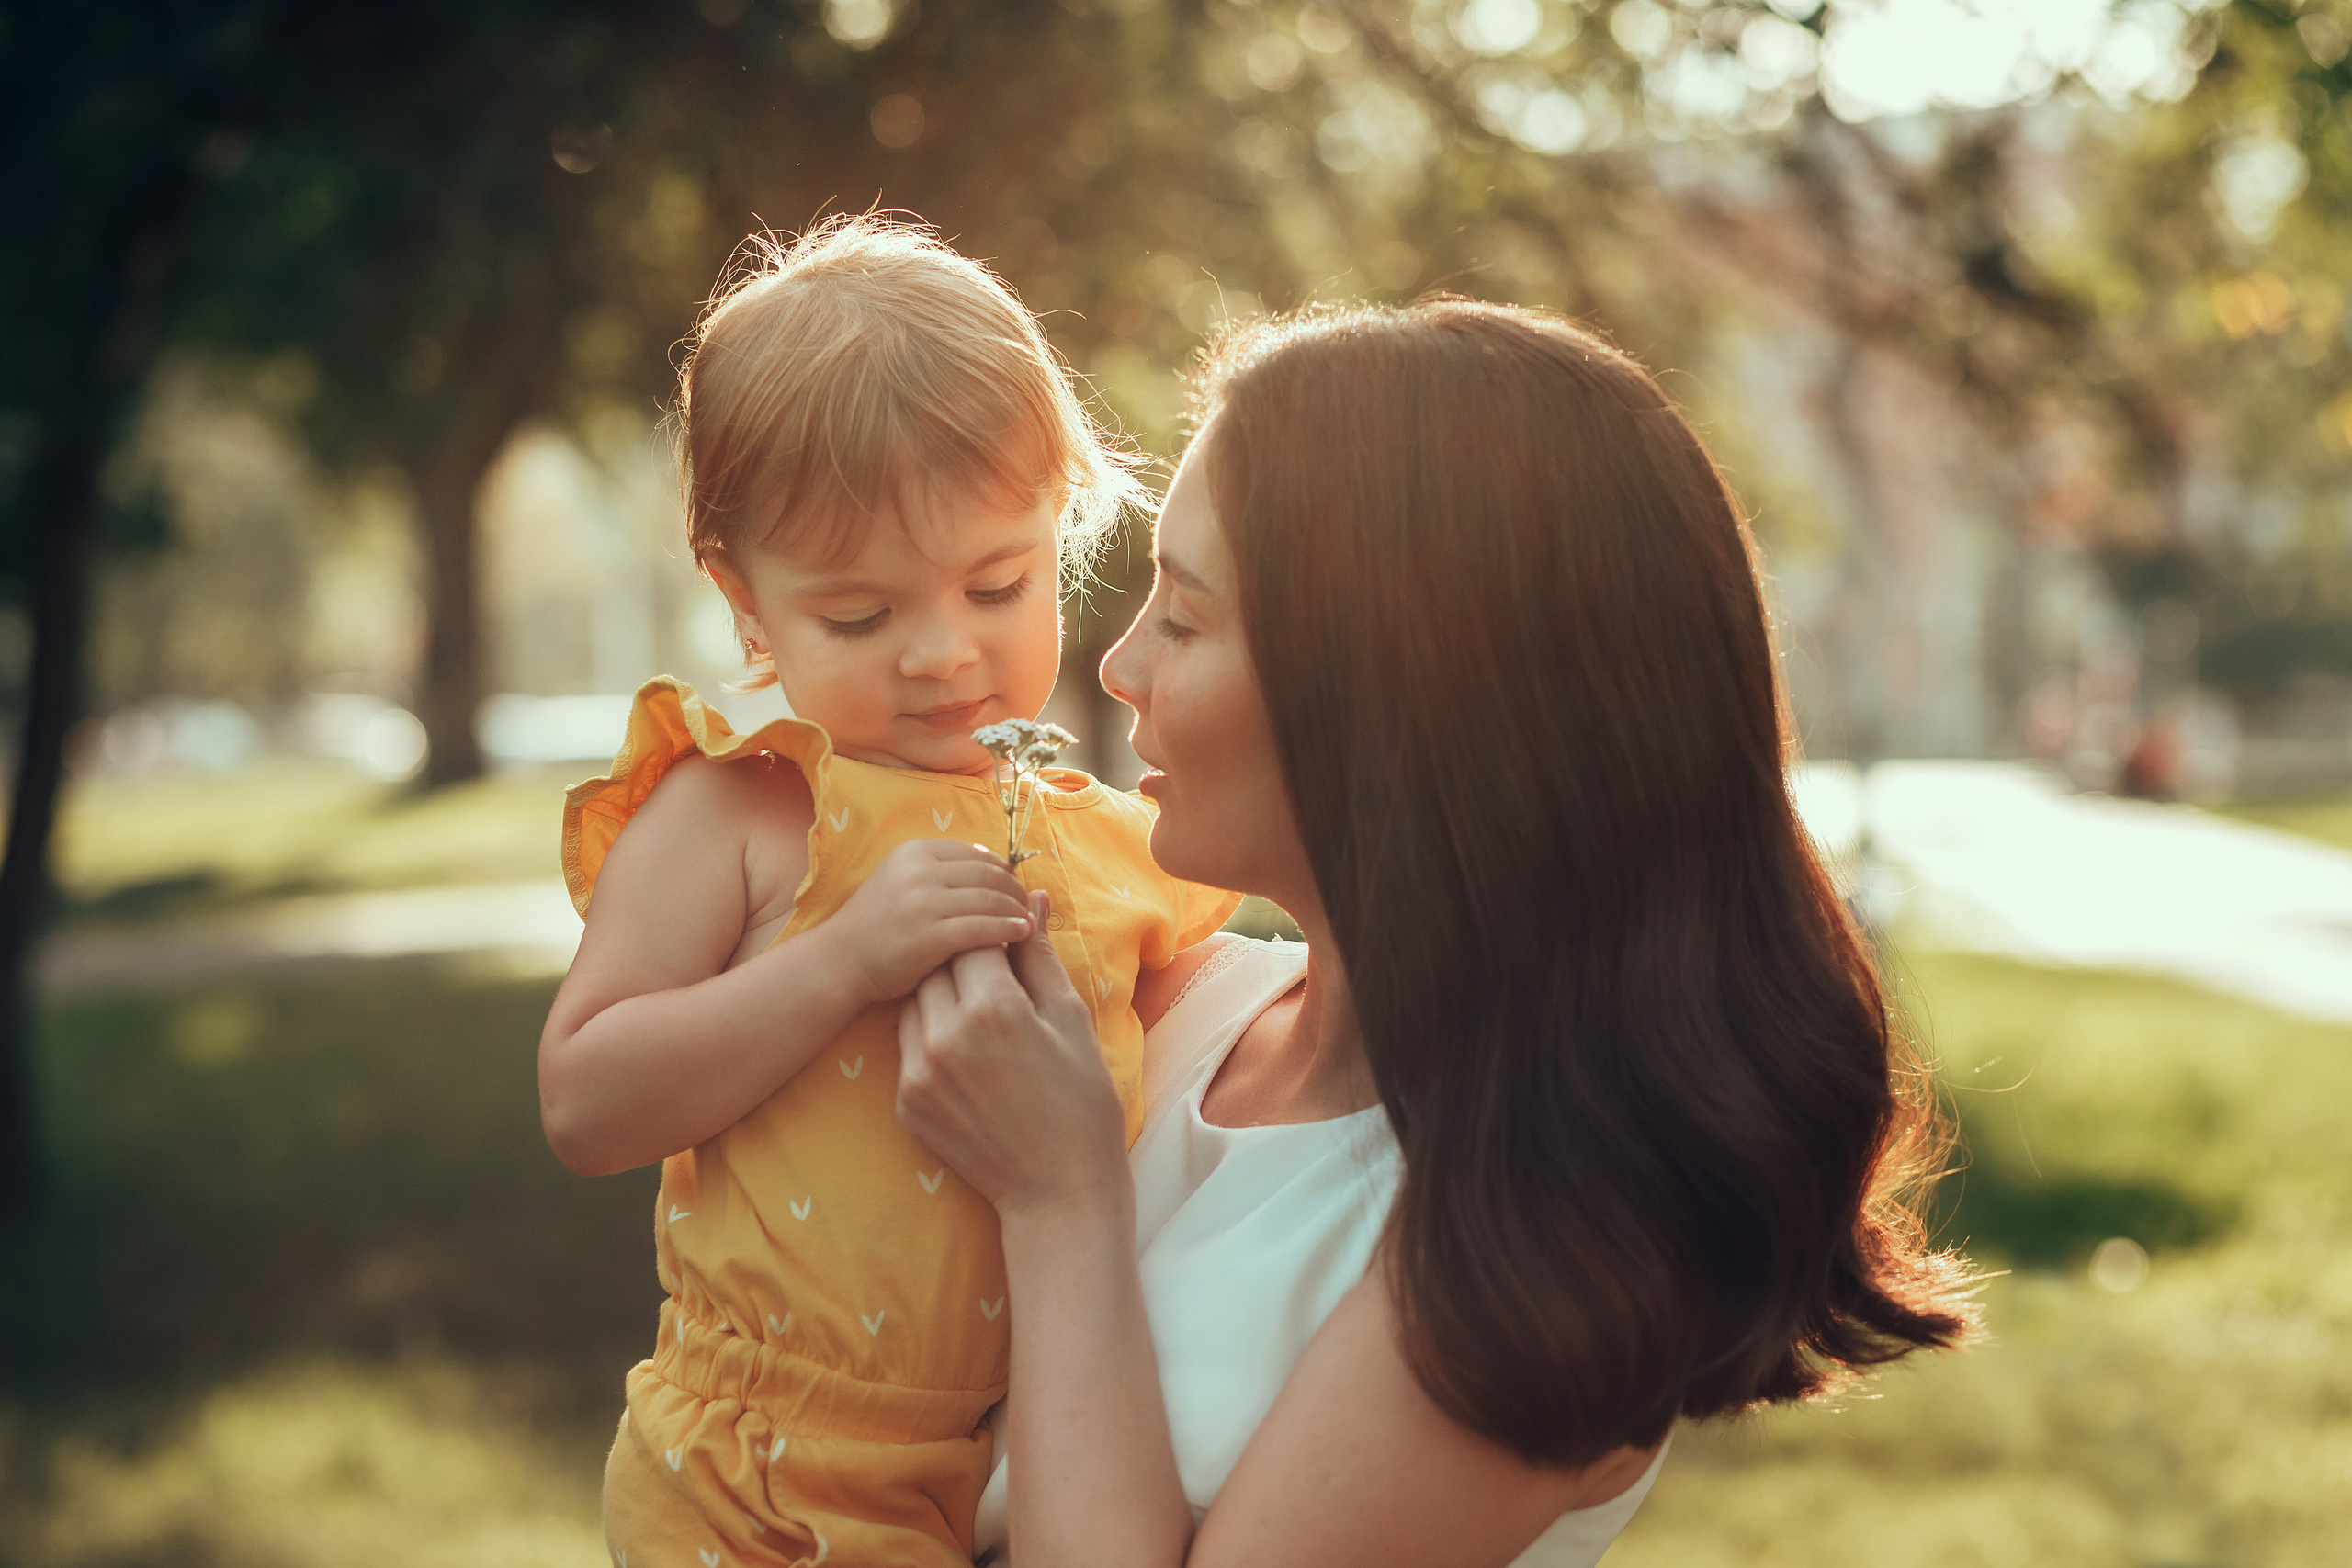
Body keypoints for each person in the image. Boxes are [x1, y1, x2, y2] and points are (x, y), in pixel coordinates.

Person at [892, 299, 1983, 1567]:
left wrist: (1061, 1202)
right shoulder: (1169, 1012)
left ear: (1395, 701)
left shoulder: (1562, 1242)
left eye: (1184, 618)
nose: (1122, 666)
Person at [537, 216, 1239, 1567]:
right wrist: (839, 960)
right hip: (758, 1472)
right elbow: (583, 1101)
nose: (941, 654)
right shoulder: (749, 804)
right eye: (858, 618)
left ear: (1064, 521)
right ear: (747, 609)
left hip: (1011, 1456)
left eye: (996, 585)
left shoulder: (1111, 843)